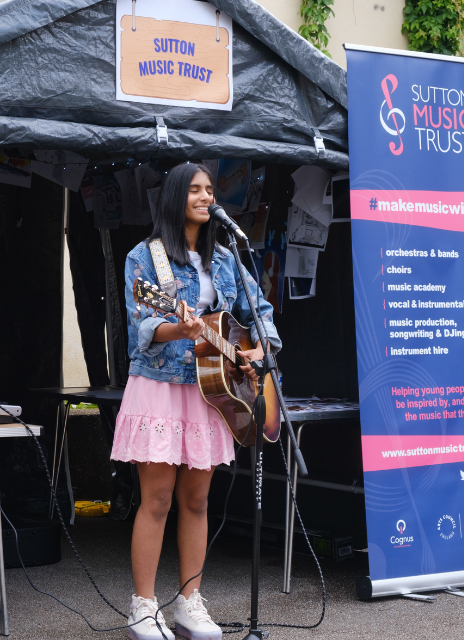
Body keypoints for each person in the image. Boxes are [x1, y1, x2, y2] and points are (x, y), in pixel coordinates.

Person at [111, 163, 280, 640]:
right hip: (162, 386)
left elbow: (259, 313)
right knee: (158, 498)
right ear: (174, 197)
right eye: (197, 190)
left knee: (197, 499)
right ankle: (143, 608)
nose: (208, 196)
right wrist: (178, 328)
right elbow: (142, 329)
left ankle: (189, 602)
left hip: (211, 388)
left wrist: (257, 350)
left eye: (210, 190)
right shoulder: (145, 259)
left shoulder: (226, 258)